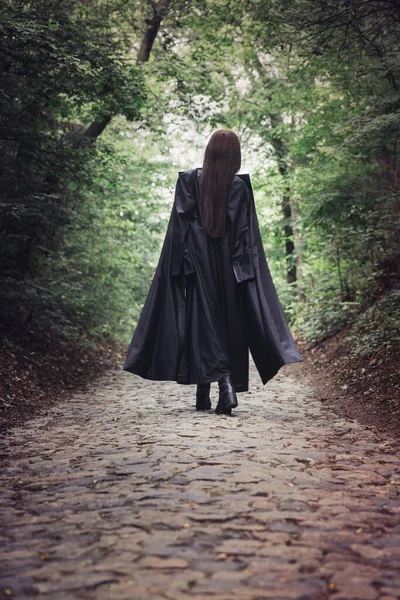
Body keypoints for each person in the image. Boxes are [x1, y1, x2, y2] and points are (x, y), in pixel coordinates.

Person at [123, 129, 302, 415]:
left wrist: (169, 268)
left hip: (198, 268)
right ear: (234, 155)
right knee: (227, 326)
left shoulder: (190, 181)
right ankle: (205, 391)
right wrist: (247, 273)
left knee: (202, 325)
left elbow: (177, 229)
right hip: (230, 271)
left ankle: (225, 384)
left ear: (210, 152)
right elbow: (245, 236)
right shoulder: (239, 188)